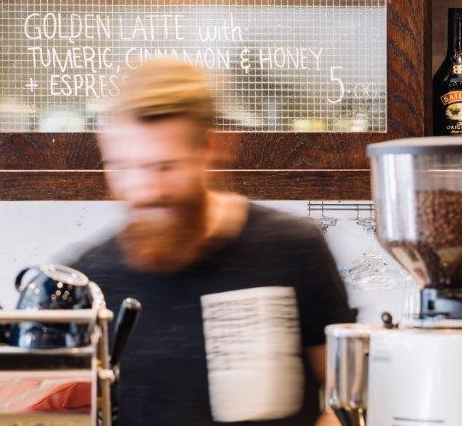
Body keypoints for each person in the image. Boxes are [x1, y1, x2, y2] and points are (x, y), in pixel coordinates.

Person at [64, 59, 353, 426]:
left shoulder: (292, 248)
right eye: (122, 167)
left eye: (165, 167)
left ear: (213, 147)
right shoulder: (86, 282)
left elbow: (345, 400)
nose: (146, 189)